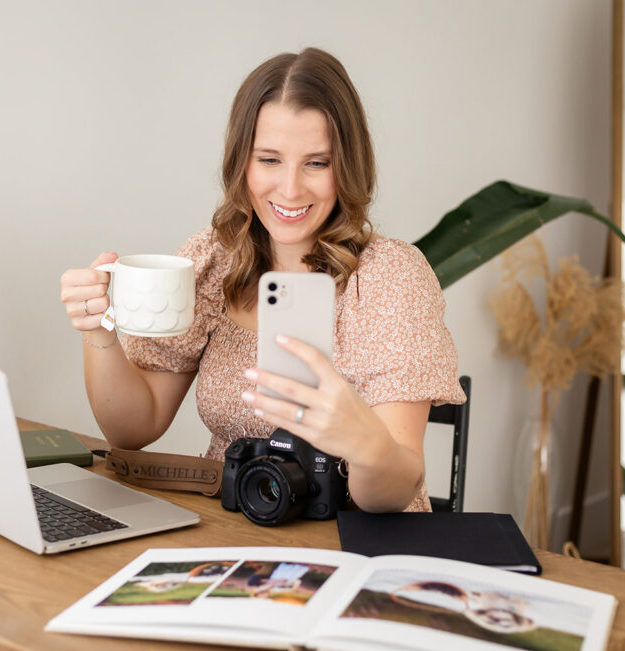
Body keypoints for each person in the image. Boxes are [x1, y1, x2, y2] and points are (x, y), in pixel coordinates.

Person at [60, 47, 464, 513]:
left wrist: (365, 443)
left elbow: (393, 495)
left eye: (317, 162)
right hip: (233, 525)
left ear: (347, 166)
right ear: (241, 163)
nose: (290, 189)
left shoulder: (390, 278)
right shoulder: (213, 261)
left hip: (354, 545)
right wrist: (99, 333)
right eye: (269, 160)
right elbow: (133, 427)